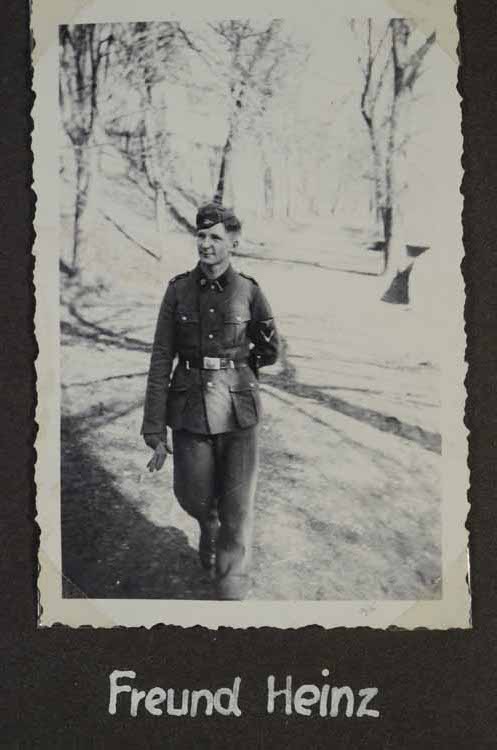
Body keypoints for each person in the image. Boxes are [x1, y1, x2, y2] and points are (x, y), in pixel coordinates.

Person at [141, 201, 279, 600]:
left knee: (239, 504)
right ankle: (208, 525)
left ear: (233, 243)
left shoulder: (249, 291)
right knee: (193, 495)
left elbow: (270, 349)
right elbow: (161, 357)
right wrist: (154, 425)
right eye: (201, 236)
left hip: (239, 412)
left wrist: (241, 371)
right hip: (189, 410)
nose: (206, 244)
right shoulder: (178, 291)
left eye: (216, 237)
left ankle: (230, 578)